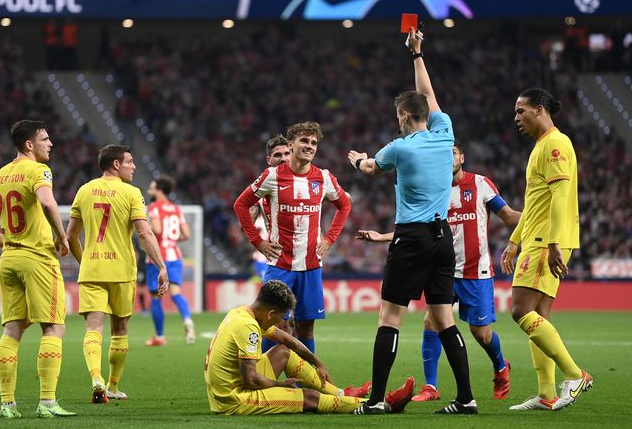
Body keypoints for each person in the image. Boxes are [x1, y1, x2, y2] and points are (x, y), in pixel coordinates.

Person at [347, 27, 476, 414]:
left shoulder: (398, 148)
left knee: (389, 317)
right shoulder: (444, 133)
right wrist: (417, 54)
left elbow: (371, 169)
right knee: (444, 320)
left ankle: (375, 401)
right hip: (443, 239)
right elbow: (430, 96)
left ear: (403, 116)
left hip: (412, 238)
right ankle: (466, 398)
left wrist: (358, 160)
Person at [356, 139, 522, 402]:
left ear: (462, 157)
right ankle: (431, 387)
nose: (449, 158)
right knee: (431, 322)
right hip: (442, 268)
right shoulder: (436, 188)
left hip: (474, 271)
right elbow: (417, 227)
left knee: (481, 333)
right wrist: (382, 237)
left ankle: (501, 366)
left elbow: (510, 215)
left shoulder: (480, 184)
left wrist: (540, 223)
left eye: (453, 153)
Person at [0, 120, 76, 419]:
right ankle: (47, 402)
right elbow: (47, 202)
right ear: (29, 144)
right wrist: (62, 236)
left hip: (9, 259)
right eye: (45, 138)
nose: (50, 143)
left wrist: (3, 241)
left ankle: (8, 404)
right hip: (37, 258)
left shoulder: (0, 175)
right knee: (54, 327)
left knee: (12, 329)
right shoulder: (38, 171)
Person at [501, 88, 592, 411]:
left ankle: (575, 374)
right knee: (539, 316)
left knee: (520, 310)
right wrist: (514, 240)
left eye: (521, 111)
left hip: (546, 241)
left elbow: (561, 196)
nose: (516, 119)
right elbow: (536, 203)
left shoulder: (555, 144)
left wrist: (553, 242)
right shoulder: (542, 146)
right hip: (538, 238)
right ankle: (546, 393)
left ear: (539, 110)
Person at [204, 279, 414, 415]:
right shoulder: (247, 326)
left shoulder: (243, 313)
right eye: (281, 317)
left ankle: (341, 394)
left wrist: (318, 362)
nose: (283, 322)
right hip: (234, 400)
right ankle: (376, 405)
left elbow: (288, 341)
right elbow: (250, 380)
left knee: (284, 353)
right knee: (309, 398)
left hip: (231, 386)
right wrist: (280, 385)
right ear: (270, 314)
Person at [234, 121, 352, 355]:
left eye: (313, 143)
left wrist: (329, 239)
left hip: (311, 264)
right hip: (280, 264)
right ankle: (263, 376)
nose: (309, 146)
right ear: (292, 144)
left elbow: (345, 204)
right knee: (272, 325)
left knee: (306, 327)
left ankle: (304, 383)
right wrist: (258, 242)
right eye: (304, 141)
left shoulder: (324, 177)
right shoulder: (272, 176)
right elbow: (241, 204)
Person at [66, 144, 168, 403]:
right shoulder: (132, 193)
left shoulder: (84, 190)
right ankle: (112, 385)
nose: (134, 167)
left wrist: (85, 261)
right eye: (130, 162)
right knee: (120, 329)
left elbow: (70, 236)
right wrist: (161, 265)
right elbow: (144, 233)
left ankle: (96, 378)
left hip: (92, 270)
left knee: (93, 327)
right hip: (122, 271)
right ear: (115, 164)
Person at [144, 176, 196, 346]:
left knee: (155, 297)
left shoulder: (153, 208)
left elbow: (157, 229)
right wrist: (171, 240)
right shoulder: (175, 209)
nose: (149, 190)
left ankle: (159, 336)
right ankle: (188, 321)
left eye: (152, 188)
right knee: (175, 292)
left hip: (158, 258)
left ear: (159, 190)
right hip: (175, 254)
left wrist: (144, 226)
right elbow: (187, 234)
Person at [251, 134, 291, 282]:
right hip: (278, 259)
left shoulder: (311, 178)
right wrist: (258, 242)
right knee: (270, 303)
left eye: (287, 153)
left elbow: (343, 201)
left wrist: (327, 240)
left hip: (308, 260)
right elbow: (245, 219)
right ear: (269, 160)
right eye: (278, 155)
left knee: (306, 305)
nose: (283, 158)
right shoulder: (262, 188)